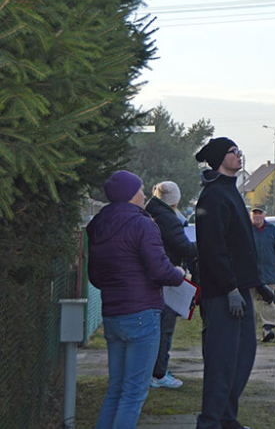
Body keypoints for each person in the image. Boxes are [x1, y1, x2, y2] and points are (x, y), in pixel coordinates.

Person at [88, 170, 185, 429]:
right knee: (133, 394)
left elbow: (95, 276)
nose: (144, 195)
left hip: (113, 315)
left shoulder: (98, 225)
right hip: (142, 314)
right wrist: (179, 274)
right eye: (140, 190)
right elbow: (160, 270)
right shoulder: (143, 224)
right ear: (130, 195)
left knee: (116, 390)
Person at [194, 137, 261, 429]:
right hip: (223, 294)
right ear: (221, 158)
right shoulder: (213, 197)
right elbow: (213, 248)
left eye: (239, 151)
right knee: (221, 362)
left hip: (240, 289)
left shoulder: (231, 192)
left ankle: (226, 418)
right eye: (233, 152)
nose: (239, 155)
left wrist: (256, 283)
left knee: (243, 357)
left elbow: (241, 244)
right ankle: (209, 422)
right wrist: (230, 288)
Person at [145, 180, 198, 389]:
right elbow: (184, 247)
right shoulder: (169, 218)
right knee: (165, 328)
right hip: (168, 277)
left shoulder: (152, 212)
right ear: (175, 199)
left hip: (154, 277)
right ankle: (158, 373)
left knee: (157, 328)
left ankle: (155, 370)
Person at [249, 206, 275, 343]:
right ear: (251, 215)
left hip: (269, 273)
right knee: (249, 303)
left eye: (259, 213)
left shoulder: (273, 231)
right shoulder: (245, 230)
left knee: (268, 301)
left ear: (264, 215)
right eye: (254, 213)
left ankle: (267, 328)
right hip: (250, 274)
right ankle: (250, 331)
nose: (257, 216)